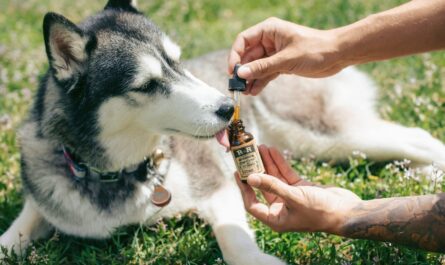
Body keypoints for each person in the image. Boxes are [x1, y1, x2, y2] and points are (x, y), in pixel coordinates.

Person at [229, 0, 445, 253]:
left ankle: (419, 147)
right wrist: (332, 45)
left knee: (338, 139)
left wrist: (345, 214)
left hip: (294, 101)